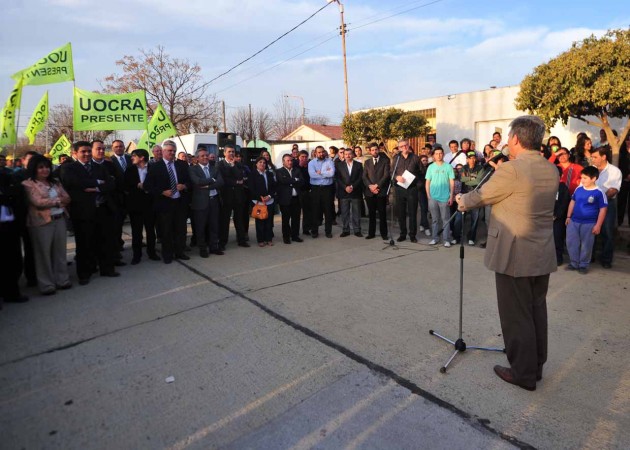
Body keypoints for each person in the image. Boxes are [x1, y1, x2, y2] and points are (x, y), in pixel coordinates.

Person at [456, 115, 559, 391]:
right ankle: (535, 366)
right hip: (541, 252)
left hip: (515, 253)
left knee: (517, 315)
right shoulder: (550, 169)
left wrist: (462, 201)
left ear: (514, 139)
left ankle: (522, 373)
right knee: (536, 310)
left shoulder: (512, 169)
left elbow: (481, 196)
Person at [61, 141, 119, 284]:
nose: (86, 154)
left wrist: (97, 188)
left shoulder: (100, 167)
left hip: (102, 210)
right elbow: (74, 183)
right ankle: (84, 273)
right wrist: (98, 182)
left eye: (88, 151)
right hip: (82, 212)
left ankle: (106, 268)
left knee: (105, 241)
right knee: (84, 244)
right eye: (83, 151)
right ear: (75, 153)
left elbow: (111, 184)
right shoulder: (69, 168)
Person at [22, 155, 72, 295]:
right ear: (34, 169)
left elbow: (67, 198)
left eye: (47, 167)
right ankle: (46, 284)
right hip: (41, 223)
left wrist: (54, 200)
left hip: (60, 219)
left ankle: (62, 280)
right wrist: (57, 201)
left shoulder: (55, 182)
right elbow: (37, 202)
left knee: (60, 252)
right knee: (43, 254)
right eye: (41, 167)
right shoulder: (28, 184)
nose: (45, 170)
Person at [144, 140, 192, 263]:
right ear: (163, 151)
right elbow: (147, 186)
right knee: (166, 231)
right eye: (169, 150)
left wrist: (184, 186)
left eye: (174, 151)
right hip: (164, 204)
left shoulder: (182, 165)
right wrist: (162, 192)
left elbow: (189, 182)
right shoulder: (155, 167)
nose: (172, 153)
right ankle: (168, 255)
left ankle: (180, 252)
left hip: (179, 203)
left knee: (180, 230)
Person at [565, 166, 607, 274]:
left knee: (586, 244)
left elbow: (603, 209)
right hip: (574, 221)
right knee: (571, 242)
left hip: (589, 223)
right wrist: (568, 216)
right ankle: (574, 263)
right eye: (581, 177)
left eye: (585, 178)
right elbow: (572, 202)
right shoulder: (578, 189)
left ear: (593, 179)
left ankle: (583, 265)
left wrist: (598, 225)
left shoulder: (599, 192)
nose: (582, 180)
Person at [124, 149, 160, 265]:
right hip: (136, 206)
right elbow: (125, 186)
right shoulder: (129, 170)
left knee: (150, 231)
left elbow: (157, 185)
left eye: (134, 156)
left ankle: (152, 252)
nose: (131, 158)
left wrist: (146, 187)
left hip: (150, 205)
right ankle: (137, 255)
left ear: (142, 157)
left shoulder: (153, 169)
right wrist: (137, 185)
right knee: (136, 232)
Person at [589, 147, 622, 269]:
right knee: (590, 230)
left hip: (607, 204)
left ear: (604, 157)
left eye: (595, 157)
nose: (593, 159)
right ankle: (589, 257)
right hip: (591, 204)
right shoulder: (591, 170)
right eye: (592, 157)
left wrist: (599, 198)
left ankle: (606, 259)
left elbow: (613, 190)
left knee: (607, 231)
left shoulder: (614, 171)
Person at [0, 168, 29, 304]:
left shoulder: (8, 177)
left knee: (13, 261)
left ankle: (12, 293)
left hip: (11, 227)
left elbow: (18, 195)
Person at [189, 148, 224, 257]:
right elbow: (198, 182)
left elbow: (221, 182)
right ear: (197, 158)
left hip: (214, 201)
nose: (205, 157)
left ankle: (214, 247)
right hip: (200, 202)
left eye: (206, 155)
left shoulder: (214, 168)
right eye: (202, 155)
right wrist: (212, 180)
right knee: (201, 226)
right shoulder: (193, 169)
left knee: (214, 225)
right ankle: (202, 248)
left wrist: (208, 185)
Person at [217, 146, 249, 248]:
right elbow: (223, 180)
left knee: (239, 218)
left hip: (238, 196)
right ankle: (222, 242)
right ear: (224, 153)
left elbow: (240, 177)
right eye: (229, 152)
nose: (231, 153)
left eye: (233, 152)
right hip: (226, 196)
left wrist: (233, 165)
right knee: (225, 220)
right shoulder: (220, 164)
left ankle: (241, 240)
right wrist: (235, 182)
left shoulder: (238, 164)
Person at [392, 139, 421, 242]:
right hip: (400, 189)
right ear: (399, 148)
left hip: (412, 189)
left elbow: (421, 172)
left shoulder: (416, 158)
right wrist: (397, 177)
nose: (404, 147)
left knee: (413, 213)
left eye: (406, 145)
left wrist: (417, 185)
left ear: (408, 146)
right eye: (401, 146)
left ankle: (412, 235)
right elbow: (392, 172)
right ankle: (402, 234)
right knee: (401, 213)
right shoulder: (396, 158)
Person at [426, 145, 455, 247]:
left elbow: (452, 182)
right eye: (436, 153)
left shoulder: (448, 167)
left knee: (445, 219)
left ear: (443, 154)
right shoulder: (430, 167)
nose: (439, 155)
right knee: (434, 219)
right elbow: (428, 182)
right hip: (433, 197)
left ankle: (446, 239)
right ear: (433, 155)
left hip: (445, 197)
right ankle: (435, 238)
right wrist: (428, 196)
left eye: (440, 153)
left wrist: (451, 196)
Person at [363, 142, 390, 240]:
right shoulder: (367, 162)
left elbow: (386, 175)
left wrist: (377, 186)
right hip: (370, 192)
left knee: (382, 214)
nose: (374, 151)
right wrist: (370, 186)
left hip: (381, 191)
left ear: (378, 150)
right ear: (370, 151)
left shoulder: (385, 161)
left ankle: (384, 234)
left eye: (376, 149)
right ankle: (371, 233)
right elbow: (364, 176)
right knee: (371, 214)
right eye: (372, 150)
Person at [275, 154, 304, 244]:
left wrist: (290, 180)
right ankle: (286, 237)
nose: (290, 162)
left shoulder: (297, 170)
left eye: (291, 160)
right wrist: (295, 180)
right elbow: (283, 181)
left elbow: (302, 182)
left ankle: (295, 236)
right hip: (285, 199)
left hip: (296, 198)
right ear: (283, 162)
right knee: (286, 219)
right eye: (288, 160)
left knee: (296, 219)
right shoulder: (279, 171)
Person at [308, 146, 336, 238]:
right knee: (315, 211)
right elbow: (312, 175)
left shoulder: (329, 161)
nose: (321, 154)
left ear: (324, 152)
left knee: (328, 211)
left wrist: (320, 172)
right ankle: (314, 231)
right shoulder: (311, 163)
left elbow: (332, 174)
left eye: (322, 152)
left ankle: (328, 231)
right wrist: (325, 173)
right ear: (315, 153)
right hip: (315, 189)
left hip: (327, 189)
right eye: (319, 152)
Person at [336, 147, 364, 237]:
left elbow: (360, 178)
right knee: (344, 212)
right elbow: (338, 178)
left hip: (355, 192)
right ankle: (346, 229)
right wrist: (345, 187)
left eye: (349, 154)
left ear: (353, 155)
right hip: (344, 192)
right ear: (343, 155)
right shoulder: (339, 165)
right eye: (346, 154)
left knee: (356, 212)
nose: (348, 156)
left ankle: (357, 230)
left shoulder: (359, 165)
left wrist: (352, 186)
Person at [248, 157, 276, 246]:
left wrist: (269, 196)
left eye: (264, 162)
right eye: (260, 162)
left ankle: (269, 239)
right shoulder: (252, 175)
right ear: (256, 164)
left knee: (269, 222)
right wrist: (261, 198)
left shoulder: (269, 174)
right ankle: (260, 240)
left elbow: (274, 187)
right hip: (258, 202)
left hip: (269, 201)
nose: (262, 164)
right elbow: (251, 189)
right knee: (260, 222)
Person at [460, 151, 484, 245]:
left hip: (475, 194)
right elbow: (462, 179)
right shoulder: (463, 168)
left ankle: (472, 237)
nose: (472, 160)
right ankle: (459, 236)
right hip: (465, 194)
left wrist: (468, 178)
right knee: (461, 217)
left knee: (475, 217)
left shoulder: (480, 168)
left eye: (473, 158)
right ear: (467, 159)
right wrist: (473, 178)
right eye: (470, 158)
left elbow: (478, 181)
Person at [297, 150, 313, 236]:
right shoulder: (295, 167)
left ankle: (306, 229)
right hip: (298, 193)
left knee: (307, 212)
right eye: (302, 157)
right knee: (296, 213)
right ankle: (295, 231)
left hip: (307, 192)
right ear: (298, 157)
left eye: (305, 157)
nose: (304, 158)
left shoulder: (309, 167)